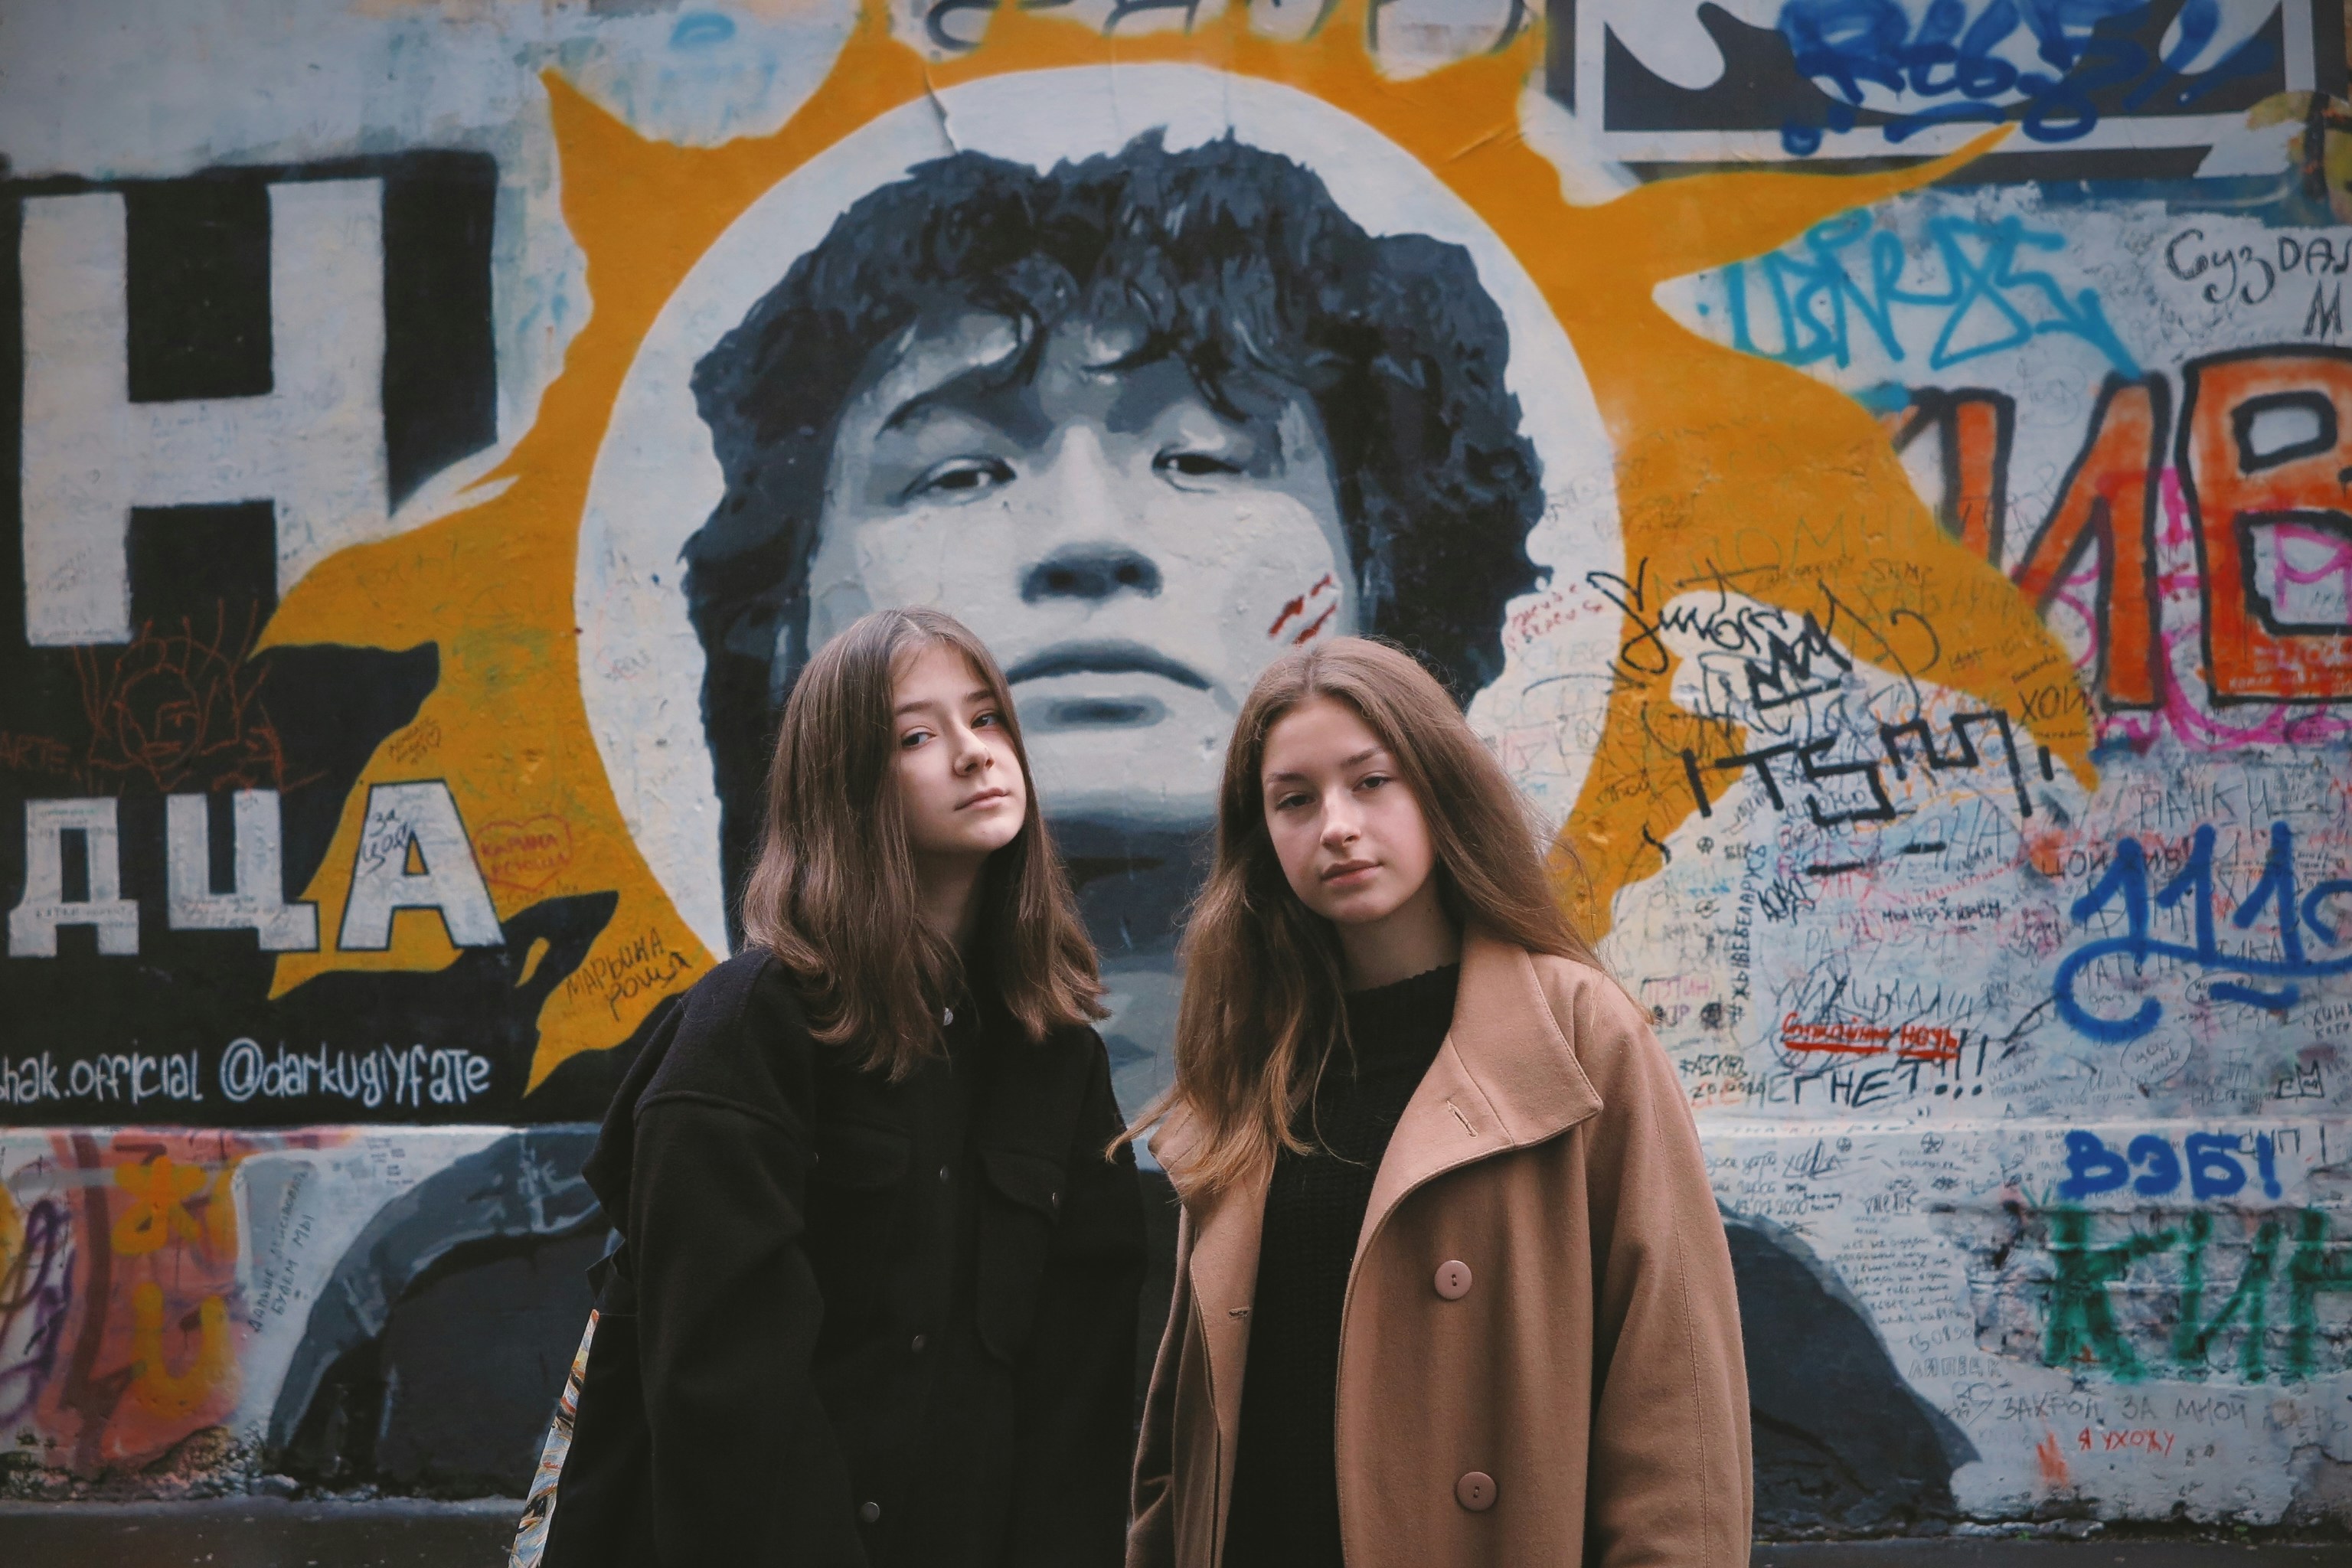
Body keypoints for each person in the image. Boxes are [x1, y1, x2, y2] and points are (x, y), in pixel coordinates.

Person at [681, 130, 1548, 1113]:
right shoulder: (647, 1159)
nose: (1085, 536)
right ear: (789, 624)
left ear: (1378, 590)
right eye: (962, 472)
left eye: (1204, 458)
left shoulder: (1559, 1108)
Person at [528, 607, 1145, 1567]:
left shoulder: (1054, 1052)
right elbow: (726, 1395)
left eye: (986, 720)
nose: (975, 754)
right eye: (916, 735)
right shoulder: (753, 1027)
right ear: (846, 786)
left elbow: (1082, 1393)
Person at [1125, 638, 1751, 1568]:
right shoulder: (1253, 1060)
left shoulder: (1578, 1034)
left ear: (1438, 788)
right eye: (1294, 799)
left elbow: (1674, 1396)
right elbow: (1182, 1432)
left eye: (1371, 781)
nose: (1335, 823)